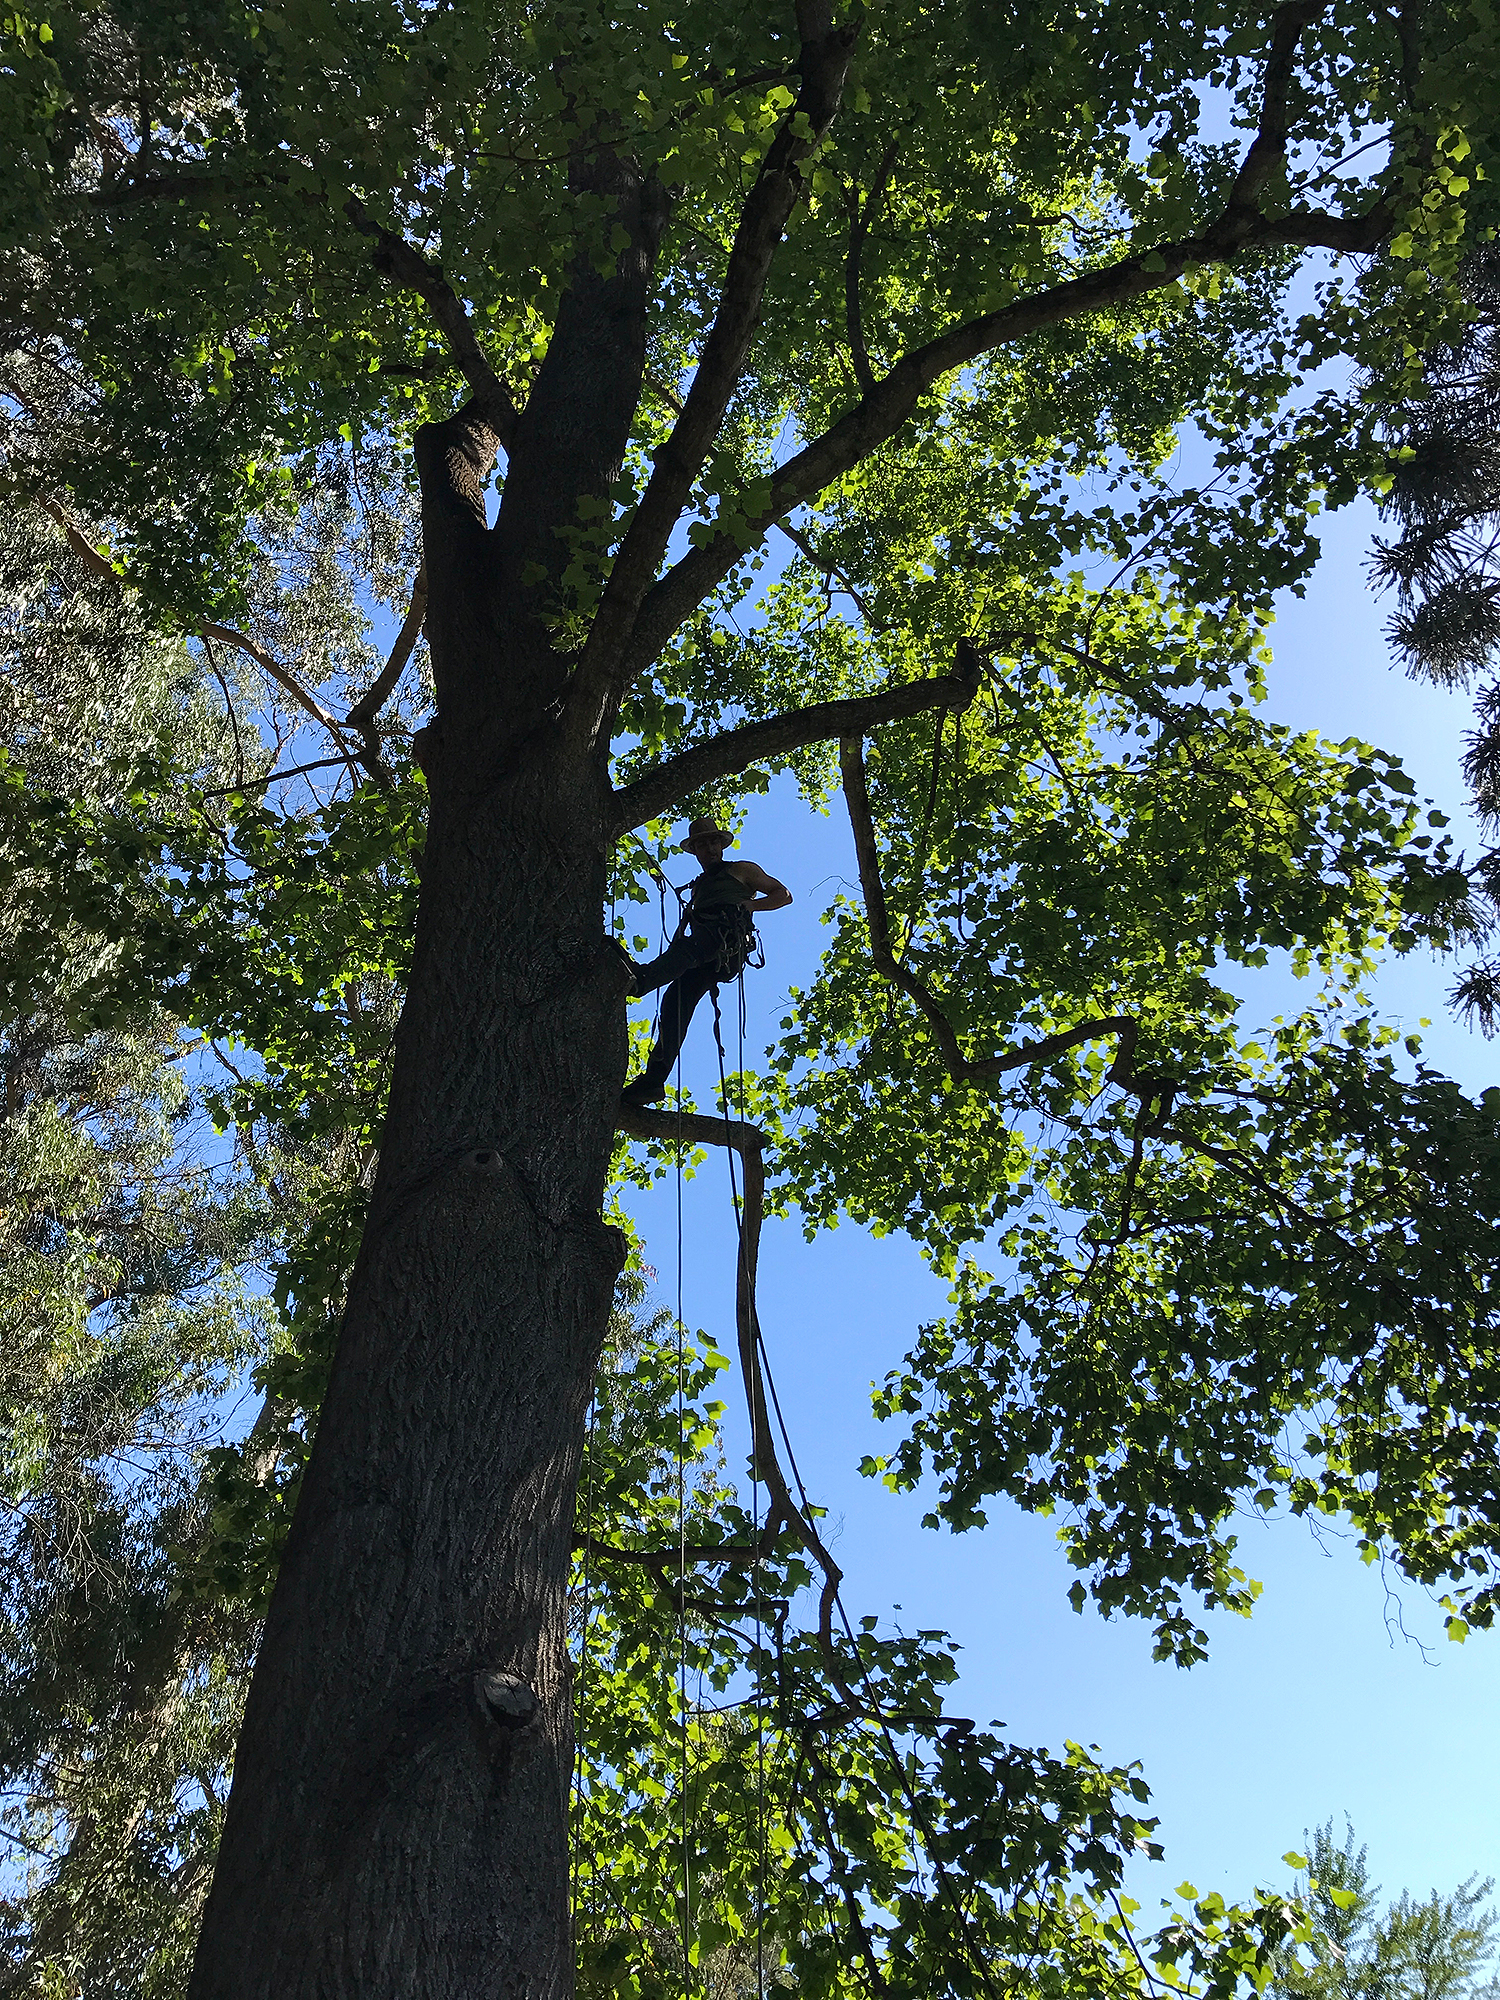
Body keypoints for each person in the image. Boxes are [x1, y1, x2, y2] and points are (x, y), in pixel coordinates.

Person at [620, 818, 792, 1108]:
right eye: (703, 844)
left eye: (714, 843)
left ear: (721, 846)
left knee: (689, 950)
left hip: (724, 942)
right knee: (674, 1001)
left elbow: (782, 895)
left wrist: (750, 905)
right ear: (696, 850)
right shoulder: (700, 885)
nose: (710, 849)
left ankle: (639, 980)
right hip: (705, 949)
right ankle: (653, 1081)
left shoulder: (740, 870)